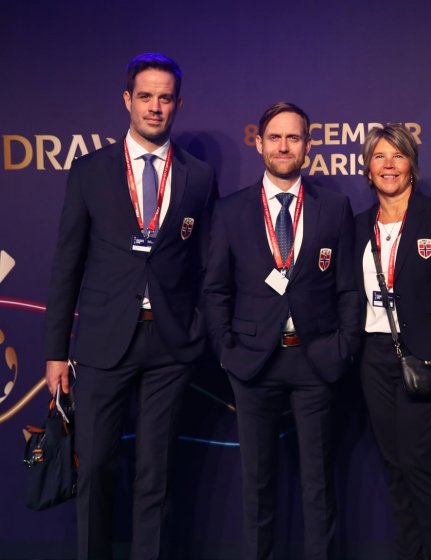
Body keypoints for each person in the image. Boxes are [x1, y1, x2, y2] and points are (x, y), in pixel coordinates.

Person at [42, 53, 217, 560]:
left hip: (170, 345)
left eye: (165, 98)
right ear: (127, 100)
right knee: (94, 467)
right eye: (145, 96)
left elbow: (208, 265)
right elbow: (66, 264)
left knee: (155, 474)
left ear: (178, 104)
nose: (155, 107)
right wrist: (56, 351)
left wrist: (199, 328)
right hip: (102, 341)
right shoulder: (90, 170)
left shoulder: (199, 176)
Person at [202, 102, 361, 560]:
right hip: (253, 363)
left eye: (294, 138)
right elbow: (215, 289)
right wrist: (228, 351)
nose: (284, 146)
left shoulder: (334, 207)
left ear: (308, 146)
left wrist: (343, 345)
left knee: (319, 485)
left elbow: (348, 287)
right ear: (258, 143)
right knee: (257, 486)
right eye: (275, 138)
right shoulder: (231, 211)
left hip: (316, 360)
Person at [354, 123, 431, 560]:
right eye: (379, 157)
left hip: (429, 358)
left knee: (420, 466)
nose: (389, 165)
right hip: (374, 358)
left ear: (412, 166)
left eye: (398, 156)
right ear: (367, 169)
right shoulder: (357, 227)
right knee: (394, 468)